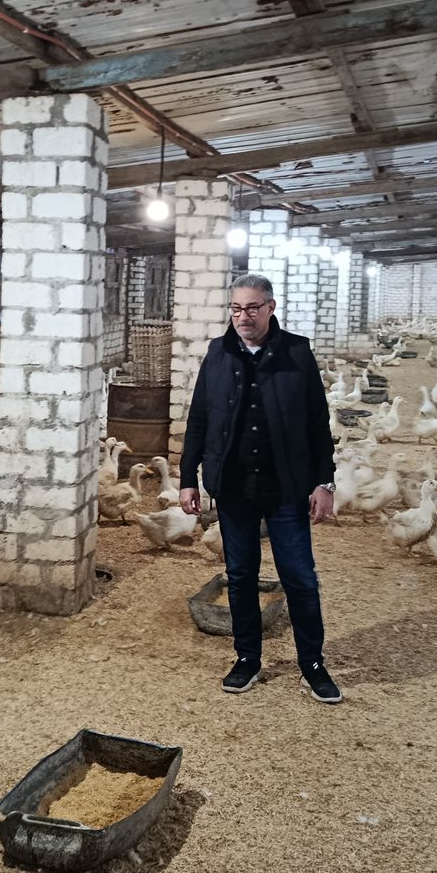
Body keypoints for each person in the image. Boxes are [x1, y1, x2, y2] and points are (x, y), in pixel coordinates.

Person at [178, 273, 340, 703]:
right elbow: (199, 418)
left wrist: (324, 481)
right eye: (236, 309)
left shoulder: (296, 353)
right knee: (241, 575)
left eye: (252, 308)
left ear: (270, 307)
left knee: (299, 577)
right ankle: (248, 657)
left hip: (286, 485)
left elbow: (317, 422)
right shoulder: (218, 353)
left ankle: (313, 664)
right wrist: (187, 477)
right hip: (234, 487)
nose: (243, 317)